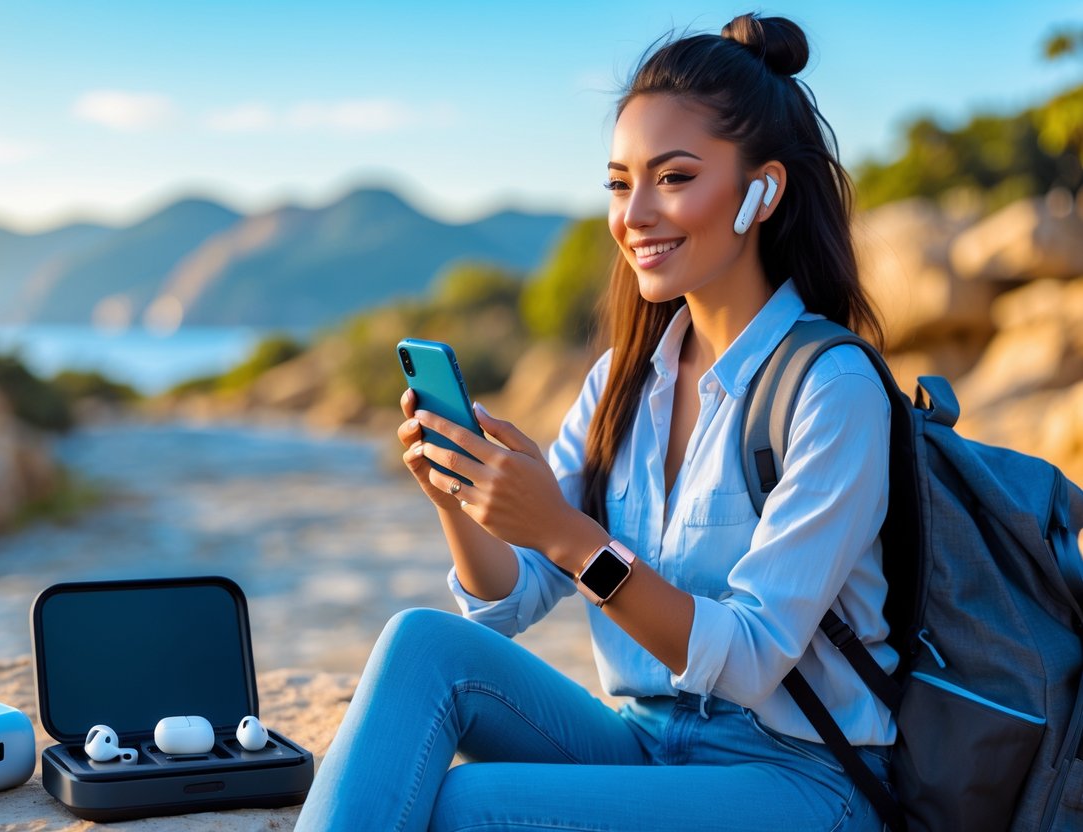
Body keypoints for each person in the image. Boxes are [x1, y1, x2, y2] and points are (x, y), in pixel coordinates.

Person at [295, 12, 895, 832]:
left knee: (472, 805)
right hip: (651, 744)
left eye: (674, 178)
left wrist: (569, 534)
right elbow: (511, 599)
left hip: (800, 779)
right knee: (421, 642)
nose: (634, 215)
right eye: (619, 183)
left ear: (762, 189)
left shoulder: (831, 388)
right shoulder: (623, 380)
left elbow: (751, 658)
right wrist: (459, 497)